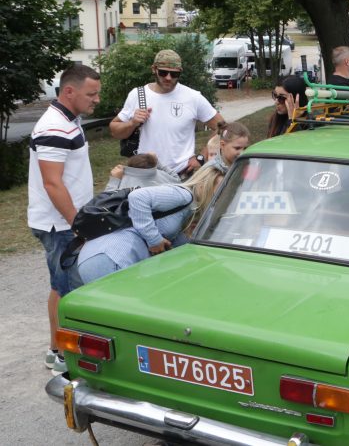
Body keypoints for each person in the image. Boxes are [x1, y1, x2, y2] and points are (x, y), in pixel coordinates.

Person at [27, 64, 101, 373]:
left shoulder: (69, 120)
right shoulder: (54, 127)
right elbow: (52, 183)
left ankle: (58, 349)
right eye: (91, 94)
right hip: (59, 226)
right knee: (67, 289)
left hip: (65, 223)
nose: (96, 99)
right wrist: (78, 225)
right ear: (69, 92)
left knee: (65, 286)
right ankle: (59, 354)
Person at [76, 163, 227, 285]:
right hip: (112, 257)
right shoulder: (184, 195)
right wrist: (154, 240)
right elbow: (138, 198)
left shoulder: (191, 210)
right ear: (203, 185)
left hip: (109, 257)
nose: (220, 197)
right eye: (218, 190)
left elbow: (176, 245)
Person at [110, 50, 225, 177]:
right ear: (154, 69)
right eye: (163, 72)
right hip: (143, 173)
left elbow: (222, 127)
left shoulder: (192, 97)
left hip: (180, 175)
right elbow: (115, 130)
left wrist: (202, 157)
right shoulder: (138, 95)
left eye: (174, 74)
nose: (168, 78)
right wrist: (132, 123)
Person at [105, 153, 180, 192]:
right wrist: (158, 163)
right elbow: (176, 179)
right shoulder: (163, 176)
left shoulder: (124, 186)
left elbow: (107, 201)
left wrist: (115, 180)